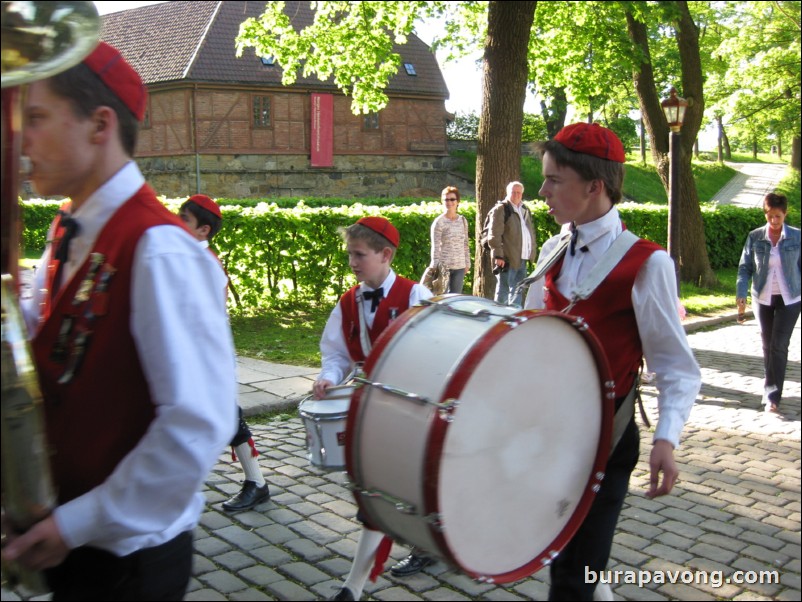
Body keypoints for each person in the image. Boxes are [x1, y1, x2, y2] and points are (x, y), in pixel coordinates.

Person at [3, 42, 237, 600]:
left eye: (34, 118)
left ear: (98, 125)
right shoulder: (69, 223)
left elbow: (196, 425)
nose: (22, 139)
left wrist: (74, 523)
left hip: (127, 563)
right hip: (72, 533)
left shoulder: (160, 248)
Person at [523, 122, 701, 601]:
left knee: (571, 577)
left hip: (604, 439)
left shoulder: (647, 264)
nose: (542, 192)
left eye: (554, 180)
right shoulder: (553, 247)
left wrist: (667, 437)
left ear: (594, 186)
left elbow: (676, 365)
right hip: (551, 433)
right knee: (568, 557)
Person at [314, 216, 432, 601]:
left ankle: (353, 586)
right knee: (379, 490)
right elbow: (336, 352)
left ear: (385, 255)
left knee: (381, 491)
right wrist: (329, 377)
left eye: (359, 255)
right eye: (349, 254)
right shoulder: (349, 301)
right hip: (369, 409)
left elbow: (433, 356)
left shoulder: (416, 296)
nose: (352, 262)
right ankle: (420, 544)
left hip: (408, 409)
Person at [178, 194, 271, 511]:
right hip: (190, 354)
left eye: (185, 219)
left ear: (203, 230)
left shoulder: (206, 264)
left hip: (205, 356)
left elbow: (209, 317)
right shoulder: (187, 257)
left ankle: (257, 483)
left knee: (228, 418)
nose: (178, 223)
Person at [736, 192, 801, 414]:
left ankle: (772, 395)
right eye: (770, 216)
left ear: (785, 214)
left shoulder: (797, 237)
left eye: (778, 217)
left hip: (790, 299)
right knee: (767, 345)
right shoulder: (755, 237)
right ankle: (771, 389)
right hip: (762, 298)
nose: (773, 221)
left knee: (779, 345)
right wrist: (741, 293)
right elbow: (744, 268)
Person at [488, 181, 537, 306]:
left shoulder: (525, 209)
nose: (516, 195)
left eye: (519, 192)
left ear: (522, 194)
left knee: (518, 291)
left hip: (522, 257)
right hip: (507, 258)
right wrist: (498, 256)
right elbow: (494, 235)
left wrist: (532, 251)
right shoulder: (501, 209)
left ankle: (513, 318)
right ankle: (498, 316)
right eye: (513, 192)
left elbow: (529, 231)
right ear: (507, 193)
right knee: (503, 291)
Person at [429, 185, 470, 294]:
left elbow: (465, 243)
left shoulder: (463, 221)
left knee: (455, 298)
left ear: (457, 201)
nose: (449, 202)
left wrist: (467, 263)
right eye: (446, 200)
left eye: (452, 199)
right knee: (441, 298)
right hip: (443, 267)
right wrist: (435, 266)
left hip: (460, 267)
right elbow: (435, 246)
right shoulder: (439, 222)